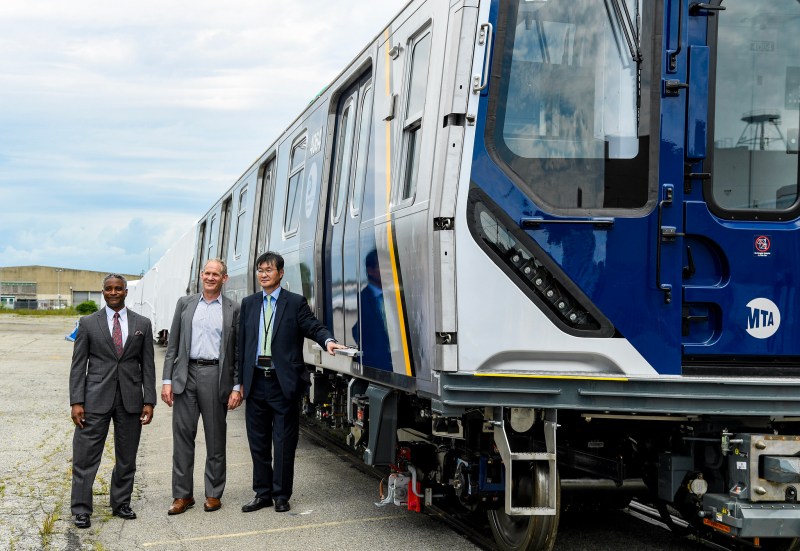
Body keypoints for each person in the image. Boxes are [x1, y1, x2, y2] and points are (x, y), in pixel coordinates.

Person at [239, 251, 345, 513]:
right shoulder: (249, 303)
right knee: (258, 443)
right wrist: (237, 383)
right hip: (255, 382)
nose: (263, 274)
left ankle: (281, 495)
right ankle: (262, 493)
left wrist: (328, 341)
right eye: (260, 270)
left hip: (282, 383)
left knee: (284, 442)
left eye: (269, 270)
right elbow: (241, 345)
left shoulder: (295, 302)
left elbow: (313, 326)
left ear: (280, 273)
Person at [69, 274, 156, 529]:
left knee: (127, 457)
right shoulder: (87, 323)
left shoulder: (143, 323)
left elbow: (148, 365)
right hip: (94, 400)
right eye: (109, 289)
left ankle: (121, 503)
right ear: (103, 292)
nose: (114, 292)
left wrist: (148, 400)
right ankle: (82, 509)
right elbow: (78, 366)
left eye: (119, 288)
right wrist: (76, 401)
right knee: (85, 457)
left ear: (126, 292)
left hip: (130, 401)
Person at [161, 258, 241, 515]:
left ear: (224, 278)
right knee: (182, 439)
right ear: (201, 275)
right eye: (206, 273)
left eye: (215, 274)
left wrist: (237, 386)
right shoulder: (185, 304)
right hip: (186, 376)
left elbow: (237, 351)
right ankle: (182, 495)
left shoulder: (233, 309)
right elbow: (173, 344)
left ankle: (213, 493)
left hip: (215, 375)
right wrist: (166, 381)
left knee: (215, 438)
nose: (210, 277)